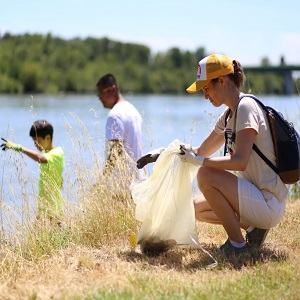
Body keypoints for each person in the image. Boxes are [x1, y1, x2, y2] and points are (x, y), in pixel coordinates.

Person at [137, 54, 288, 258]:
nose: (205, 95)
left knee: (206, 175)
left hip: (268, 202)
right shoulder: (228, 115)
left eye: (206, 88)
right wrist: (165, 154)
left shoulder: (246, 107)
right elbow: (200, 151)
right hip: (256, 198)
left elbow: (240, 162)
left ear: (222, 81)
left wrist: (200, 162)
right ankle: (255, 229)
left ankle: (238, 246)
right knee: (194, 209)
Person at [1, 120, 64, 226]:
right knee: (41, 236)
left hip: (53, 204)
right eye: (34, 141)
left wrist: (20, 148)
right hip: (44, 203)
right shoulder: (49, 153)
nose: (36, 144)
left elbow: (42, 159)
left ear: (48, 138)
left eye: (37, 141)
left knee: (50, 233)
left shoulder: (57, 153)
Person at [96, 73, 145, 194]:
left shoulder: (115, 115)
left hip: (123, 185)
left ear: (113, 89)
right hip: (140, 179)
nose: (100, 98)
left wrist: (102, 179)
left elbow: (116, 150)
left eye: (101, 93)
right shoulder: (133, 110)